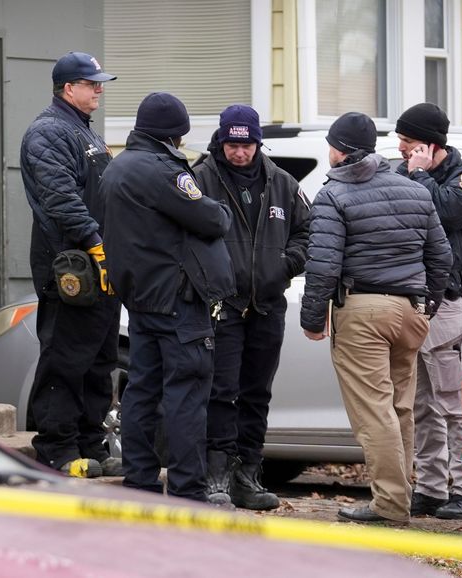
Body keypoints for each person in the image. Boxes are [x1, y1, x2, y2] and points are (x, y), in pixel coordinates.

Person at [301, 112, 452, 525]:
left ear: (339, 150)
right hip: (409, 310)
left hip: (363, 310)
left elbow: (323, 266)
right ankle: (398, 498)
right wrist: (427, 306)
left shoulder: (334, 193)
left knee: (375, 413)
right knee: (399, 408)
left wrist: (313, 319)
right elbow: (441, 257)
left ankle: (389, 505)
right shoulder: (414, 190)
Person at [102, 92, 236, 503]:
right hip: (180, 304)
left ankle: (139, 480)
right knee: (186, 394)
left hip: (141, 301)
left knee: (141, 390)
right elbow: (213, 219)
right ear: (172, 136)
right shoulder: (164, 171)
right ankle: (185, 489)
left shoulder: (117, 166)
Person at [193, 104, 310, 510]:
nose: (239, 152)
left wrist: (286, 266)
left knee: (257, 394)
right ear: (221, 141)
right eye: (232, 143)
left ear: (258, 143)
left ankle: (248, 474)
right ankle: (217, 477)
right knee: (221, 393)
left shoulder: (283, 183)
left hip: (267, 305)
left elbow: (307, 232)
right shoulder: (201, 178)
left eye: (246, 144)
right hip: (221, 307)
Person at [20, 51, 122, 478]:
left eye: (100, 82)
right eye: (91, 83)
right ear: (68, 88)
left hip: (99, 263)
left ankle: (90, 444)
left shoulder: (84, 132)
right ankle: (57, 450)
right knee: (66, 357)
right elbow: (61, 199)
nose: (99, 89)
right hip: (71, 266)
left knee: (100, 359)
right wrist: (96, 245)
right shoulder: (48, 132)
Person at [395, 103, 462, 520]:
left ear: (431, 146)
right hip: (412, 304)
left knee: (453, 404)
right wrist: (414, 174)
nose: (401, 149)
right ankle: (431, 489)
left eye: (409, 143)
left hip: (448, 303)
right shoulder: (406, 173)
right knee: (420, 405)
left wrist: (418, 176)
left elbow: (446, 212)